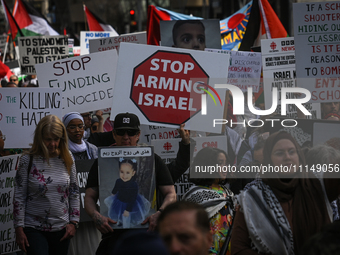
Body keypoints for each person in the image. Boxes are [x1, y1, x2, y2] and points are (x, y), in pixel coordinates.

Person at [85, 112, 179, 255]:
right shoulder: (101, 162)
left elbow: (171, 193)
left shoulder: (153, 159)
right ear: (114, 134)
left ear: (138, 134)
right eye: (121, 132)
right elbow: (89, 197)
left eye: (131, 132)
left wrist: (160, 213)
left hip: (147, 234)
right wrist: (97, 217)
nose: (126, 136)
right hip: (113, 236)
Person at [231, 131, 339, 255]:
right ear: (269, 160)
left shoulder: (318, 184)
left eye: (292, 152)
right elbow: (238, 249)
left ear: (299, 156)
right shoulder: (252, 199)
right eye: (279, 153)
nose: (287, 157)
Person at [13, 115, 80, 255]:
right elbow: (19, 196)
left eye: (56, 139)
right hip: (33, 227)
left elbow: (74, 191)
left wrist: (74, 222)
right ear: (40, 138)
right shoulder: (27, 160)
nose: (53, 144)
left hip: (62, 229)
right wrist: (19, 228)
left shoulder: (67, 157)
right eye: (48, 139)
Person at [183, 147, 234, 255]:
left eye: (226, 163)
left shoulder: (228, 193)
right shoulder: (195, 194)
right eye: (220, 163)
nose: (225, 167)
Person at [62, 112, 101, 255]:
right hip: (71, 209)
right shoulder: (62, 151)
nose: (77, 130)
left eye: (80, 126)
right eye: (72, 127)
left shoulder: (93, 149)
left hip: (90, 208)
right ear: (65, 129)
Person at [104, 158, 150, 228]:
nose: (124, 175)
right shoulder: (118, 181)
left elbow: (133, 199)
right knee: (118, 213)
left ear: (133, 173)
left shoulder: (134, 185)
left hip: (130, 203)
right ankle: (119, 221)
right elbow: (115, 189)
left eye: (127, 172)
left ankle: (126, 226)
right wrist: (113, 195)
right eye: (122, 172)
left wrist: (128, 210)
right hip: (119, 200)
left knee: (126, 215)